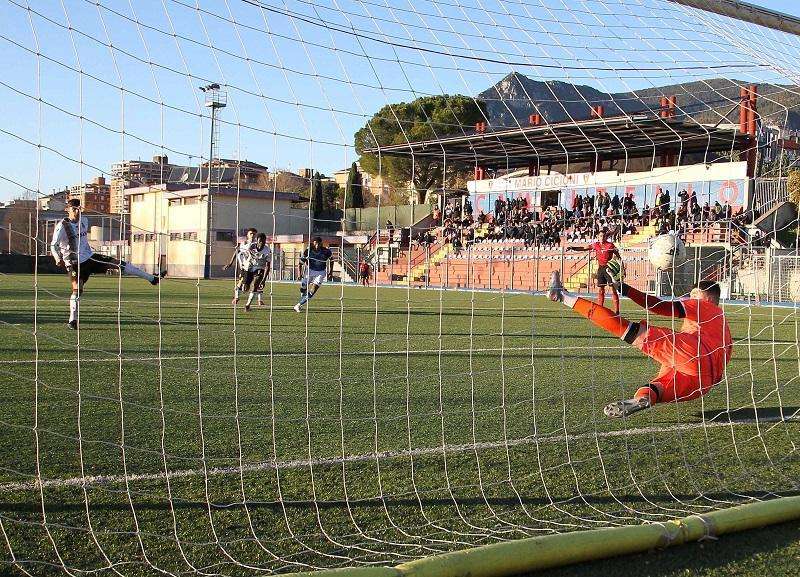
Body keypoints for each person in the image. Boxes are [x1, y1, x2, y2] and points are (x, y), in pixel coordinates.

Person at [548, 264, 732, 418]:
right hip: (703, 383)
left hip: (694, 352)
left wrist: (624, 288)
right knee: (657, 389)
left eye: (694, 295)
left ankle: (562, 296)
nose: (690, 298)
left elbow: (659, 307)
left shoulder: (705, 306)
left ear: (709, 298)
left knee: (630, 331)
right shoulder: (724, 327)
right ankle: (642, 398)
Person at [51, 199, 163, 330]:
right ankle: (72, 320)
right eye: (74, 209)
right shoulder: (62, 226)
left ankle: (152, 279)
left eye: (78, 209)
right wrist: (57, 257)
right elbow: (54, 245)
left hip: (90, 258)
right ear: (67, 209)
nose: (77, 211)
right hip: (74, 263)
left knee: (119, 263)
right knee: (77, 290)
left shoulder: (84, 221)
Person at [566, 229, 621, 315]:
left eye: (603, 236)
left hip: (609, 269)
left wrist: (621, 266)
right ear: (598, 237)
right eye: (600, 236)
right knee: (601, 290)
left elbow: (618, 256)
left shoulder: (610, 245)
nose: (602, 237)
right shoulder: (596, 245)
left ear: (606, 237)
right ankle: (601, 309)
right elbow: (584, 248)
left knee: (613, 290)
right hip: (601, 269)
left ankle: (617, 311)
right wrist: (573, 248)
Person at [294, 237, 333, 312]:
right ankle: (303, 296)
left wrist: (330, 272)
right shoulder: (308, 251)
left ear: (321, 243)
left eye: (318, 243)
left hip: (321, 272)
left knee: (313, 289)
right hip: (310, 270)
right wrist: (299, 274)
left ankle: (298, 305)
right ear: (313, 243)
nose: (317, 245)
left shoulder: (326, 251)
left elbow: (332, 260)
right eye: (315, 243)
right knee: (303, 286)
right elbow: (300, 263)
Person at [222, 227, 257, 305]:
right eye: (251, 233)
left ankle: (257, 300)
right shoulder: (243, 244)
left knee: (250, 285)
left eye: (254, 234)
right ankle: (236, 298)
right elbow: (237, 252)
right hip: (245, 267)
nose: (253, 235)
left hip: (255, 268)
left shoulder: (256, 245)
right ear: (247, 235)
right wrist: (230, 263)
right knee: (241, 283)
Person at [240, 233, 271, 312]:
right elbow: (243, 255)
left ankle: (247, 305)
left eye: (263, 241)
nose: (262, 243)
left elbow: (267, 265)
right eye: (260, 241)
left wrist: (264, 280)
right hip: (249, 267)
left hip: (259, 268)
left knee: (255, 285)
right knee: (245, 289)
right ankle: (244, 288)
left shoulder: (267, 250)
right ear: (257, 241)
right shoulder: (251, 246)